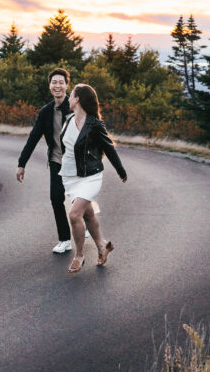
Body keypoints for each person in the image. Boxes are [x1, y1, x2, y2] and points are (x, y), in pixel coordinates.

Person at [58, 83, 127, 273]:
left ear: (78, 98)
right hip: (70, 177)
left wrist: (121, 171)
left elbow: (109, 147)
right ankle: (102, 246)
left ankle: (79, 255)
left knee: (74, 215)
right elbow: (67, 149)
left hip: (90, 177)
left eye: (71, 94)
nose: (68, 97)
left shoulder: (94, 124)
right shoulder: (68, 119)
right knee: (87, 213)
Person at [16, 68, 74, 254]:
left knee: (79, 197)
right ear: (50, 86)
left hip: (76, 161)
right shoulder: (45, 112)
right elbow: (33, 138)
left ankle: (87, 224)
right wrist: (21, 164)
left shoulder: (74, 107)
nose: (57, 86)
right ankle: (65, 240)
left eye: (61, 82)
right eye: (54, 82)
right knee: (56, 198)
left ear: (67, 85)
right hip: (57, 161)